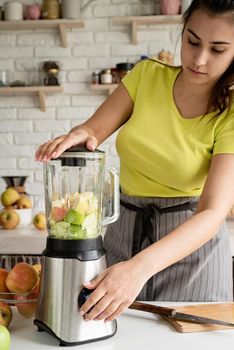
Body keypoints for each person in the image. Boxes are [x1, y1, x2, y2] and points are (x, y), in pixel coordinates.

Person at [36, 0, 234, 322]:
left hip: (190, 251)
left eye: (218, 49)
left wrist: (139, 268)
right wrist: (79, 135)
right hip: (122, 235)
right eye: (192, 41)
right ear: (182, 33)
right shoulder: (147, 76)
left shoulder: (231, 113)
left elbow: (212, 212)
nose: (199, 59)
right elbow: (93, 129)